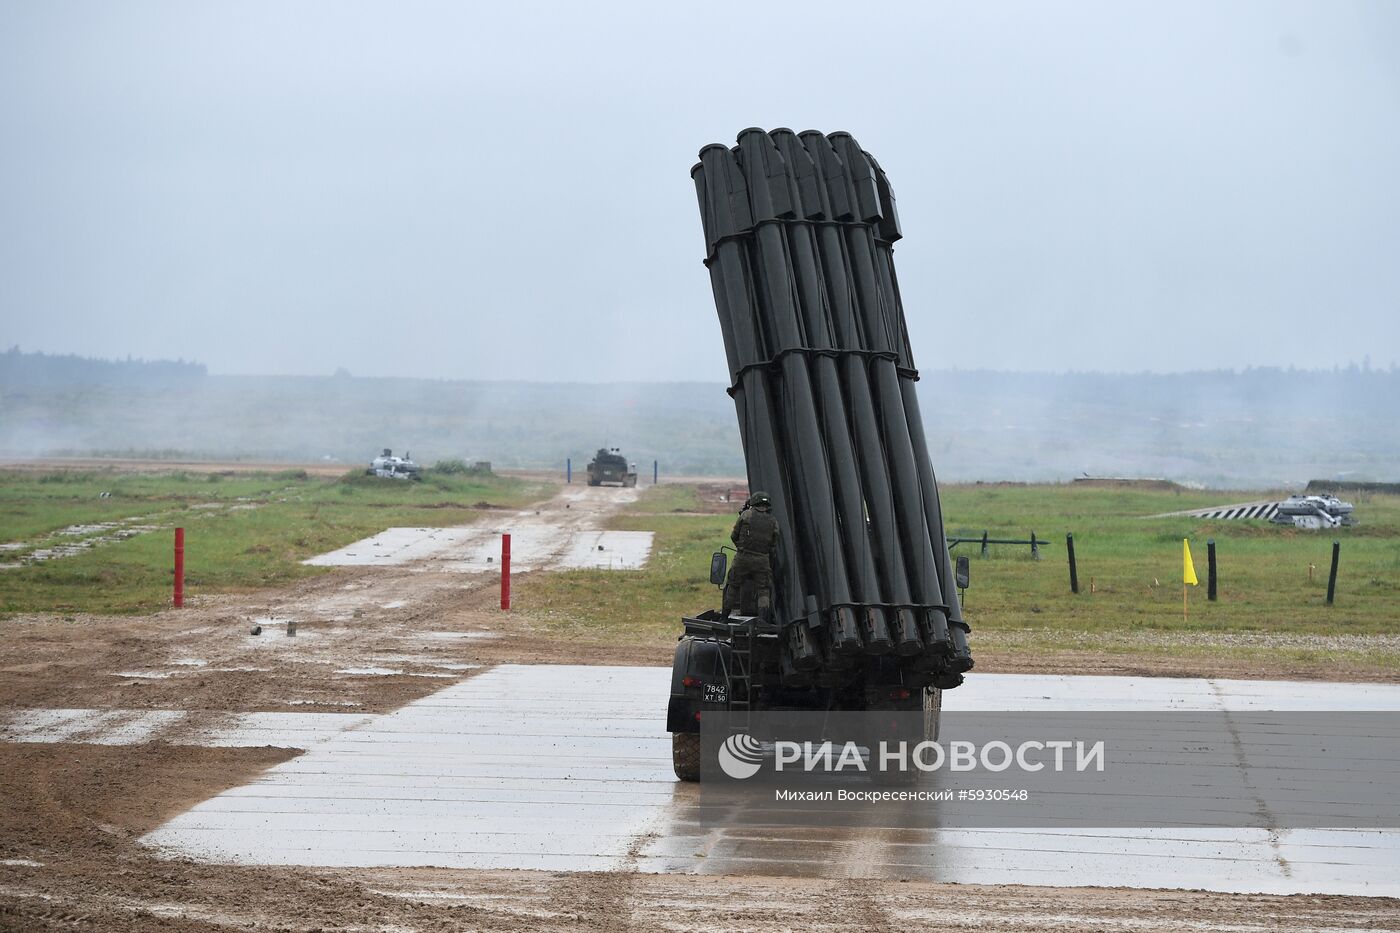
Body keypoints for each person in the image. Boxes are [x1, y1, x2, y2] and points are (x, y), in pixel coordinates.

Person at [723, 491, 779, 616]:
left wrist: (741, 548)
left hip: (743, 558)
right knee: (763, 590)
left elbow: (734, 536)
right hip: (762, 561)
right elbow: (774, 543)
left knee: (733, 585)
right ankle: (763, 620)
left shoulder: (746, 515)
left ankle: (724, 616)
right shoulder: (773, 521)